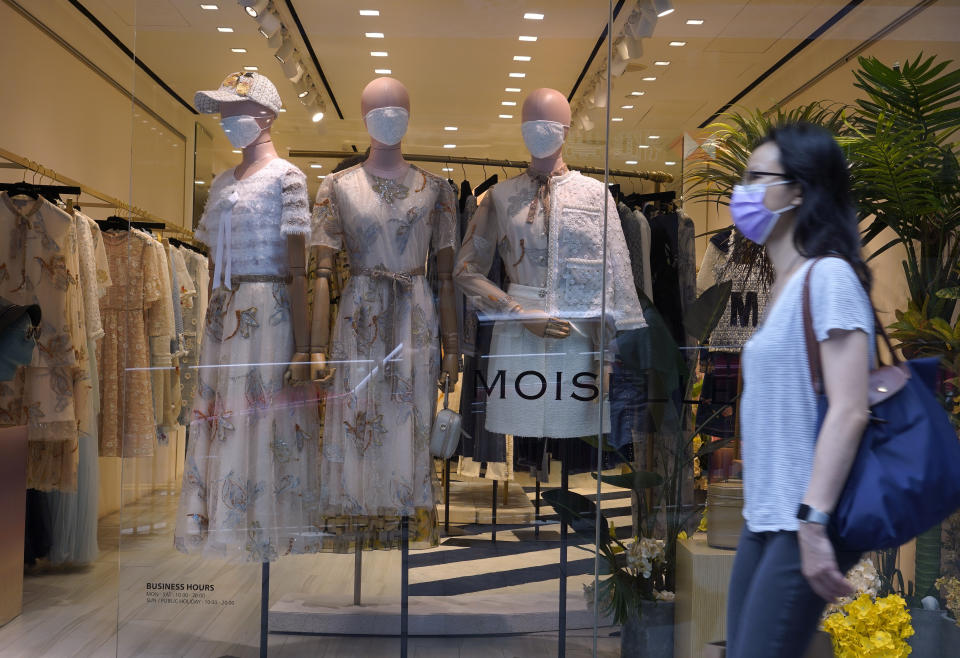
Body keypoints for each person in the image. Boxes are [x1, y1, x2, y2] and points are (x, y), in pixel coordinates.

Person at [725, 122, 875, 657]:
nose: (738, 191)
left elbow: (850, 410)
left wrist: (813, 525)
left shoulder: (829, 278)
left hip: (801, 519)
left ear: (798, 191)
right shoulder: (784, 284)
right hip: (765, 516)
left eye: (754, 177)